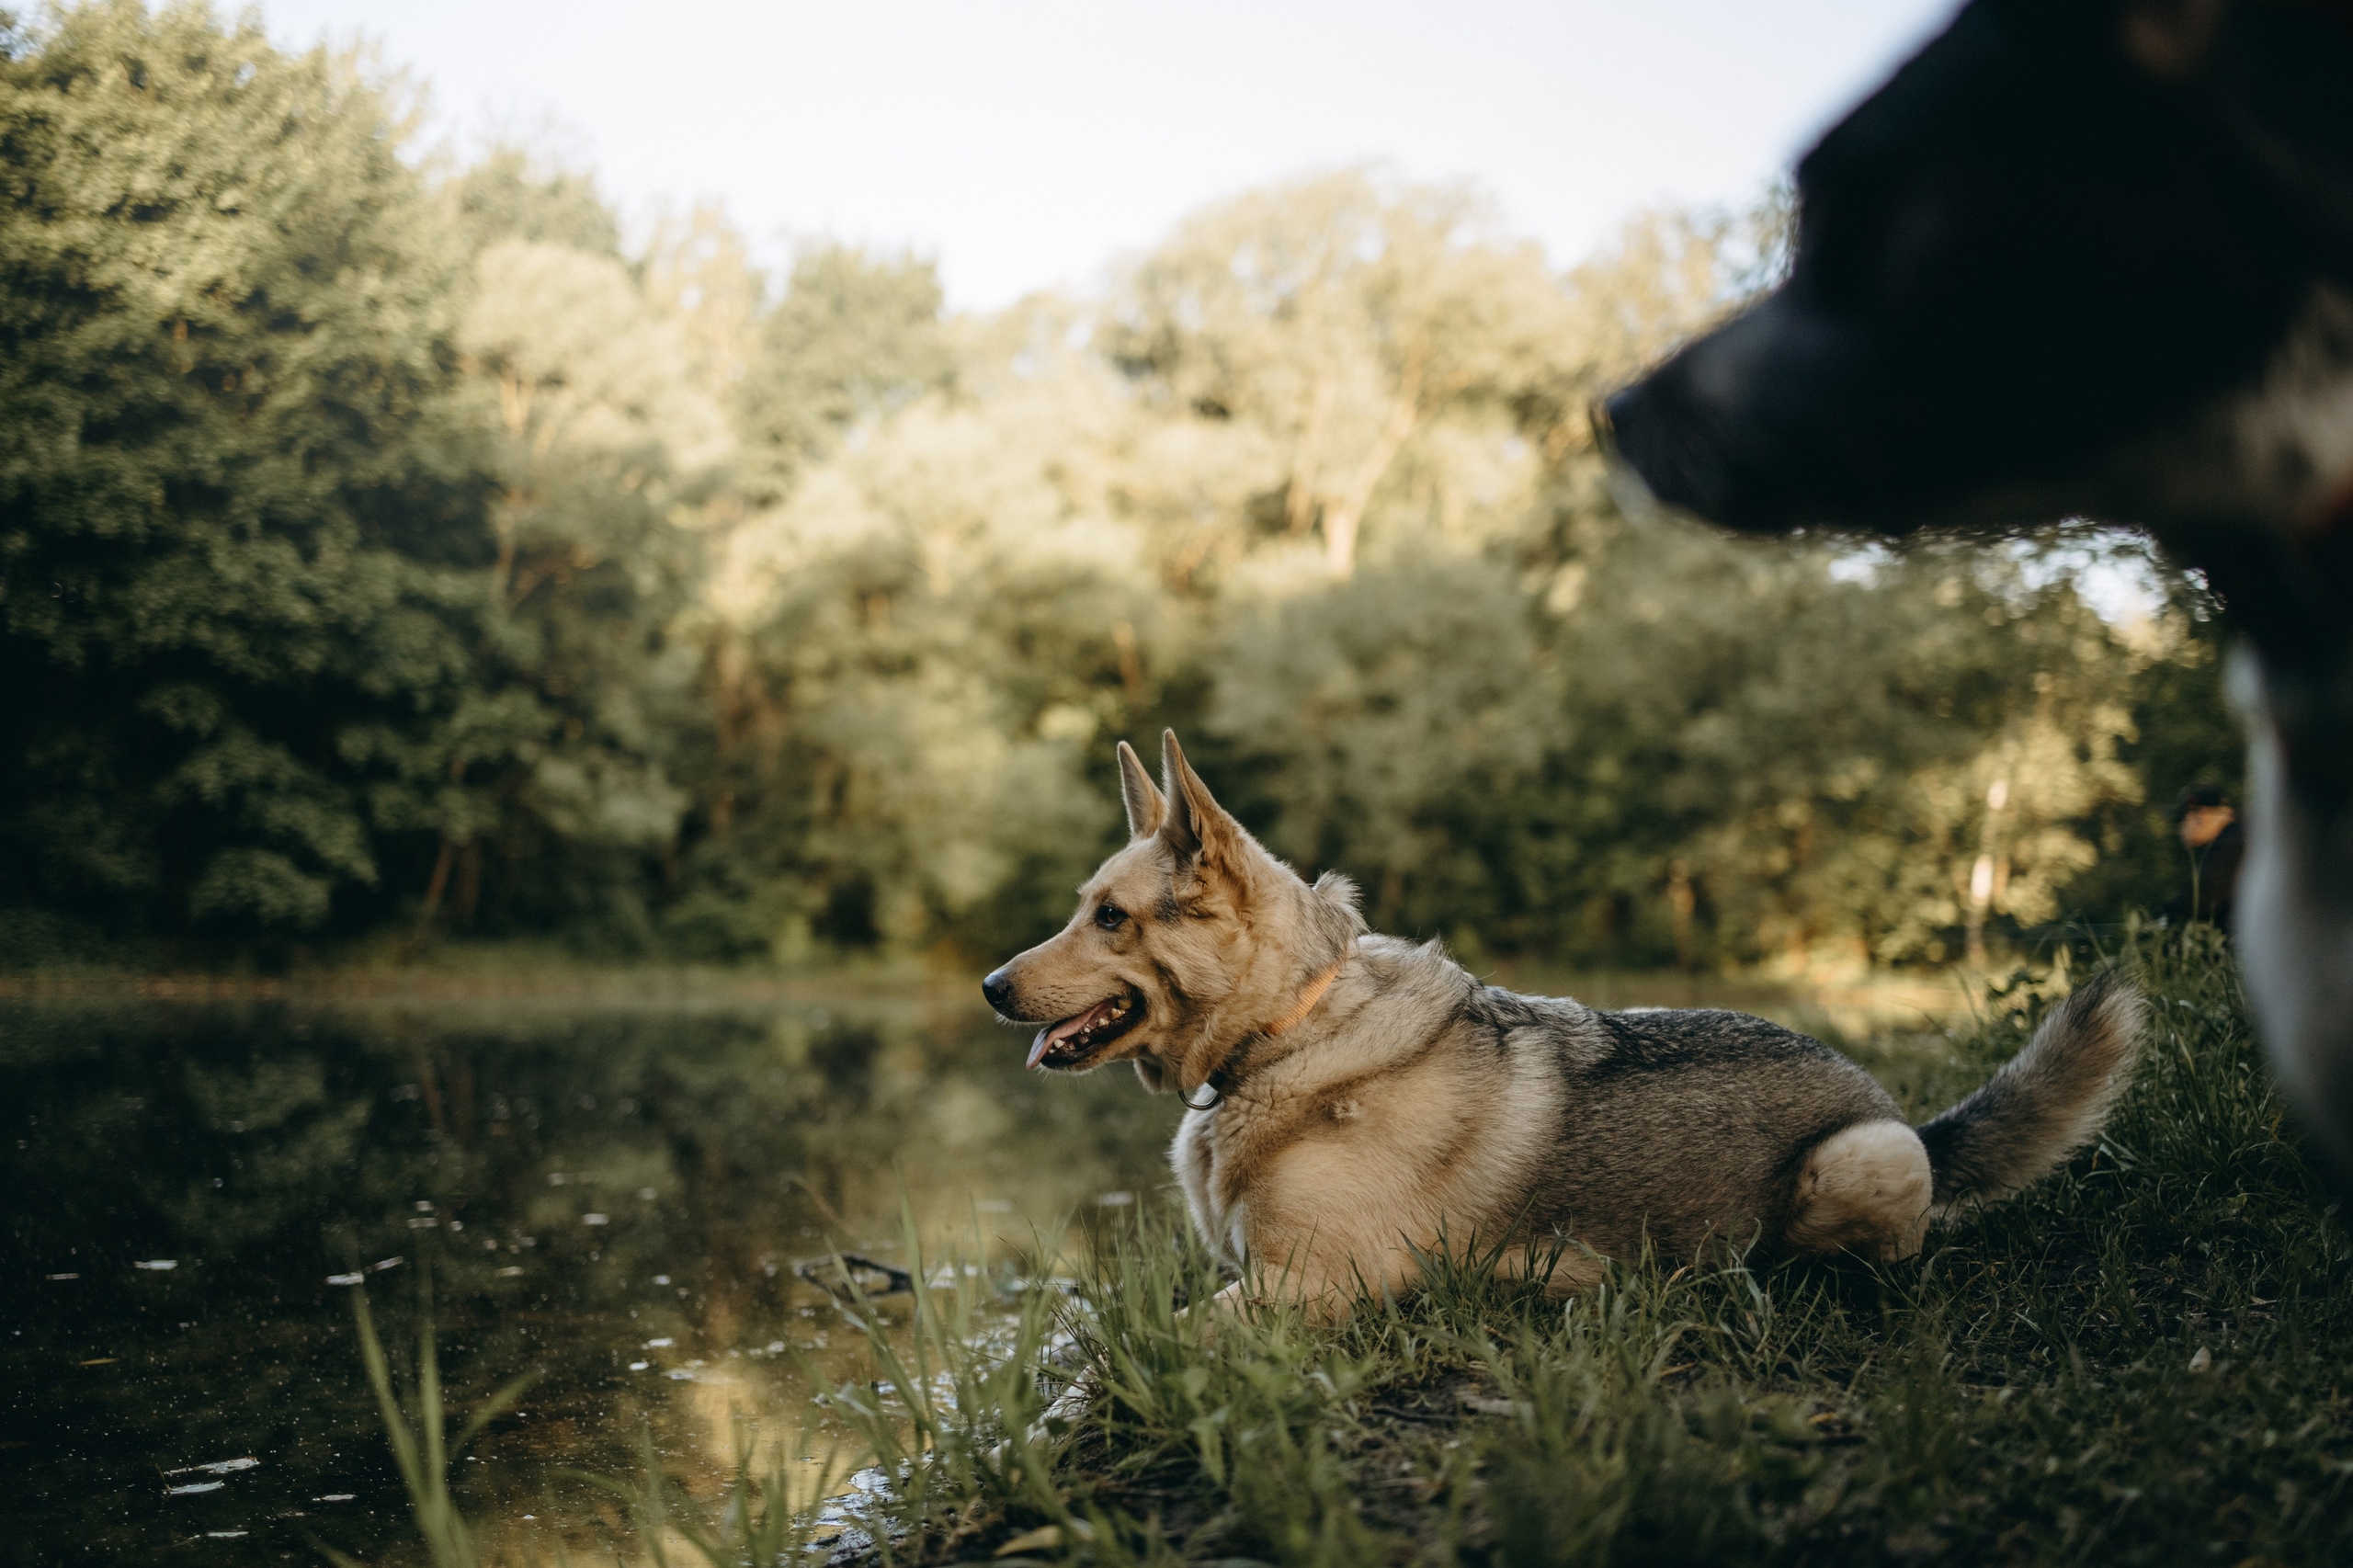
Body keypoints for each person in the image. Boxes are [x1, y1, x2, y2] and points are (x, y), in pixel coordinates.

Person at [2166, 787, 2245, 934]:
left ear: (2200, 816)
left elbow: (2202, 898)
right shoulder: (2237, 836)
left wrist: (2156, 922)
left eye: (2181, 820)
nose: (2180, 829)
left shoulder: (2233, 844)